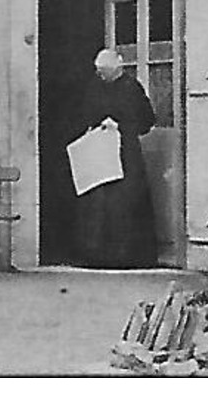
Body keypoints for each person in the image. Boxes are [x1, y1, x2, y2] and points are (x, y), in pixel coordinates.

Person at [76, 48, 159, 268]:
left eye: (103, 71)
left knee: (126, 201)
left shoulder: (132, 88)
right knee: (98, 202)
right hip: (100, 152)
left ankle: (129, 257)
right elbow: (86, 114)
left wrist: (120, 127)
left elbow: (147, 121)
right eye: (98, 71)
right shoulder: (95, 87)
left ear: (116, 69)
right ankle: (97, 256)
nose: (100, 75)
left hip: (126, 153)